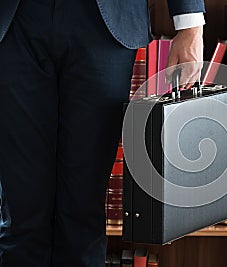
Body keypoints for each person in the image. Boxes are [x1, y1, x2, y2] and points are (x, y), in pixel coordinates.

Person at [0, 0, 205, 266]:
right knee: (21, 211)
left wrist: (191, 25)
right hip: (14, 20)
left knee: (83, 210)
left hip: (102, 22)